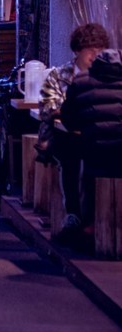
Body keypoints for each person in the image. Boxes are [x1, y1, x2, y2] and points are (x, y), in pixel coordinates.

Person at [35, 22, 110, 246]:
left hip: (97, 136)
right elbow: (48, 108)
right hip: (62, 136)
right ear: (77, 50)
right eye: (91, 51)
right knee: (72, 154)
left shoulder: (108, 75)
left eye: (101, 51)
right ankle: (74, 215)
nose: (95, 56)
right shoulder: (59, 75)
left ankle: (94, 218)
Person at [60, 48, 122, 239]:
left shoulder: (80, 81)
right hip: (120, 149)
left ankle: (84, 222)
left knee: (74, 160)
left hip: (93, 149)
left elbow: (68, 118)